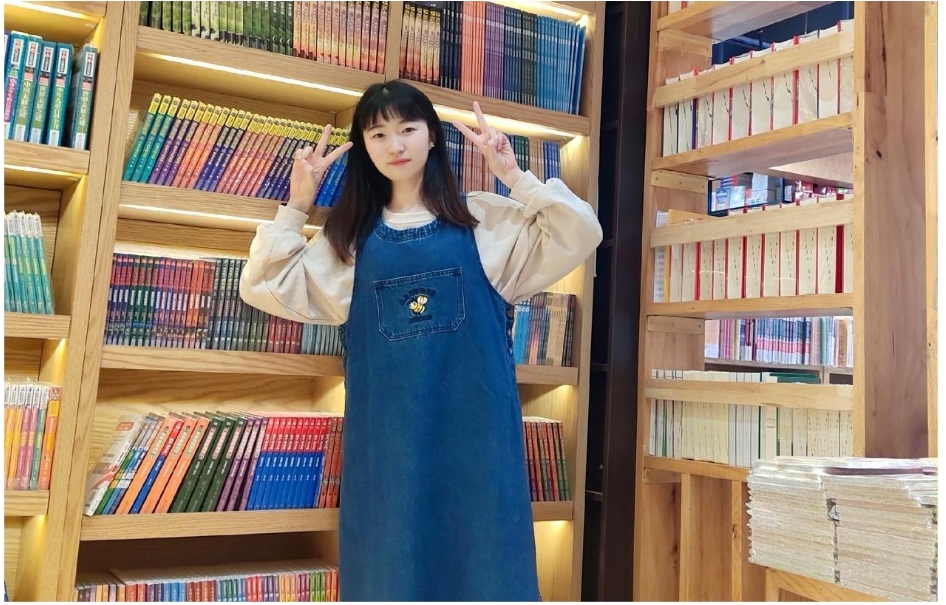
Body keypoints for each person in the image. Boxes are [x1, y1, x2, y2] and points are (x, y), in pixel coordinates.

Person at [239, 80, 602, 601]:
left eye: (407, 128)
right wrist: (298, 203)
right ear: (364, 148)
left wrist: (513, 175)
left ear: (432, 136)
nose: (395, 145)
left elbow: (581, 230)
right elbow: (264, 284)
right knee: (391, 577)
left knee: (488, 575)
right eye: (378, 134)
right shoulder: (348, 242)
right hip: (388, 458)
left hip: (480, 453)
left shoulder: (483, 221)